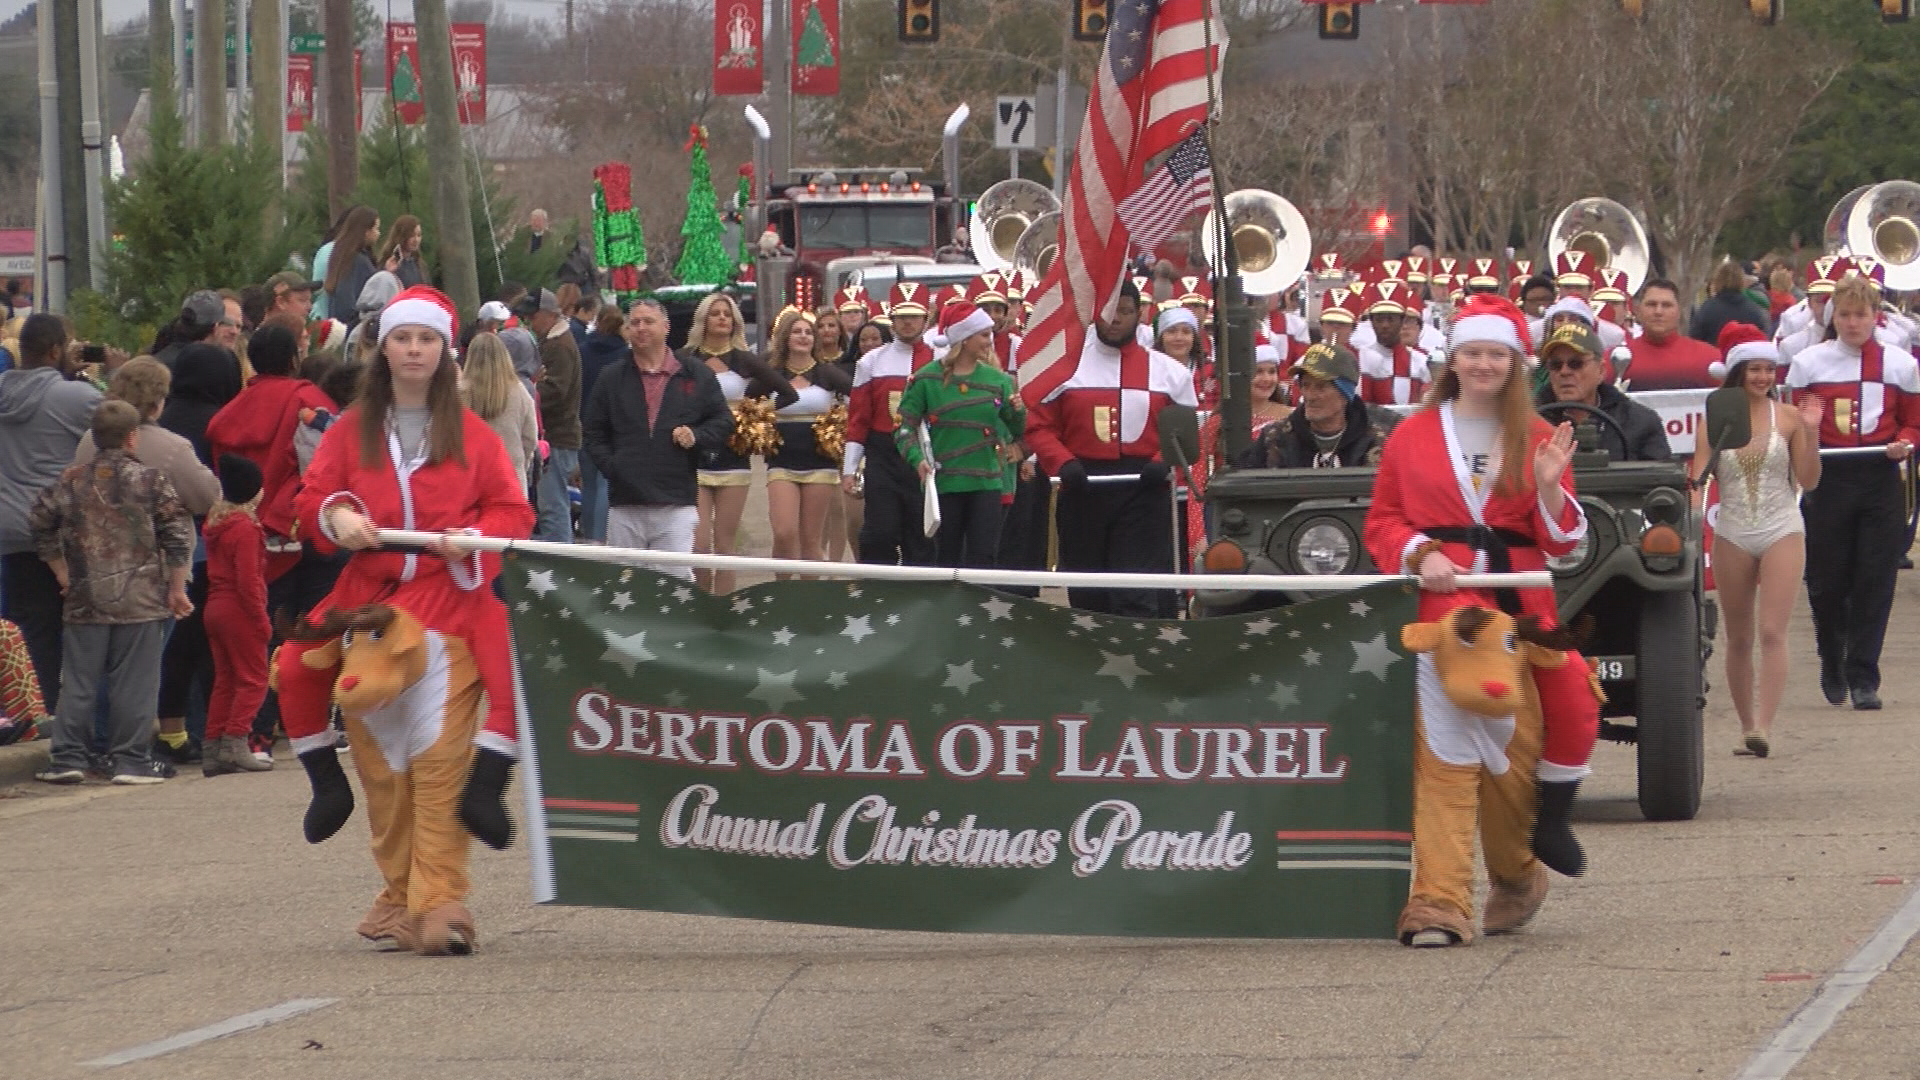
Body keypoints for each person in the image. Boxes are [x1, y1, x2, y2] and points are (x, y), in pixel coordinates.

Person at [275, 286, 534, 951]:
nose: (413, 350)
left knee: (438, 762)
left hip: (451, 611)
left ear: (445, 352)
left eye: (425, 340)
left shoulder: (473, 434)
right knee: (380, 767)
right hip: (370, 608)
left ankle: (440, 902)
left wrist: (472, 535)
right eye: (402, 338)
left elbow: (515, 513)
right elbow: (310, 502)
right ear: (382, 347)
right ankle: (389, 878)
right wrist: (337, 515)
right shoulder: (348, 429)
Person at [1363, 293, 1601, 881]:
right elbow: (1383, 519)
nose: (1483, 365)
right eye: (1472, 353)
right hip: (1449, 599)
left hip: (1522, 596)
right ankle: (1442, 885)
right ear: (1453, 361)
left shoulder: (1541, 434)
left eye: (1496, 354)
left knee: (1574, 695)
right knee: (1467, 706)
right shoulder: (1410, 436)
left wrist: (1548, 487)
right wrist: (1421, 551)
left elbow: (1562, 542)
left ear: (1513, 364)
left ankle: (1553, 811)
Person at [30, 401, 195, 785]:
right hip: (140, 598)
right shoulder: (152, 481)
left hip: (86, 595)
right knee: (135, 684)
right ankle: (130, 758)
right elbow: (175, 538)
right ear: (132, 437)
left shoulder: (71, 481)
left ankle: (67, 756)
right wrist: (176, 589)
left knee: (78, 681)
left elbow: (39, 521)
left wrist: (61, 570)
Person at [73, 358, 220, 763]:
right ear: (157, 401)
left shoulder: (89, 441)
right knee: (141, 666)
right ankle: (129, 749)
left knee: (102, 662)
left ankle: (98, 741)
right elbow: (207, 496)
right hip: (155, 569)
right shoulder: (172, 448)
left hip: (98, 561)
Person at [1785, 274, 1920, 711]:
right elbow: (1793, 426)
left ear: (1875, 317)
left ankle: (1865, 676)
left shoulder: (1901, 364)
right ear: (1832, 316)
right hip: (1827, 477)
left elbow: (1915, 422)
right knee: (1826, 581)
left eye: (1860, 314)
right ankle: (1831, 658)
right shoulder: (1808, 363)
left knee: (1874, 579)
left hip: (1879, 476)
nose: (1852, 322)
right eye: (1844, 314)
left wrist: (1904, 441)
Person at [1023, 280, 1198, 615]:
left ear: (1140, 315)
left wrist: (1164, 461)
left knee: (1135, 592)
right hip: (1082, 488)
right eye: (1108, 310)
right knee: (1088, 595)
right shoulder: (1063, 370)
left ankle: (1138, 661)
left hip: (1143, 491)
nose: (1116, 319)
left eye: (1126, 311)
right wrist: (1063, 464)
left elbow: (1186, 433)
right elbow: (1039, 426)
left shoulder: (1170, 373)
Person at [1691, 324, 1819, 757]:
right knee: (1739, 635)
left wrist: (1812, 432)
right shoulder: (1715, 419)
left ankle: (1764, 725)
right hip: (1732, 530)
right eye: (1754, 369)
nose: (1762, 377)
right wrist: (1692, 514)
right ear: (1737, 372)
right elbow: (1699, 477)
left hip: (1782, 523)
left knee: (1772, 632)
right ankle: (1747, 726)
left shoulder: (1788, 418)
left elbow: (1808, 480)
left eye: (1769, 369)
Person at [583, 300, 735, 579]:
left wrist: (696, 436)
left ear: (666, 327)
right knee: (625, 589)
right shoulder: (611, 377)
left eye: (648, 321)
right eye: (635, 322)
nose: (641, 328)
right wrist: (614, 466)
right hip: (625, 504)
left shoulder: (695, 374)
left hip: (676, 502)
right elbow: (593, 431)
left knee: (673, 589)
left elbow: (723, 420)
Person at [0, 315, 101, 713]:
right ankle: (68, 714)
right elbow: (125, 425)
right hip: (61, 528)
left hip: (9, 526)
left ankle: (28, 711)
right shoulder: (75, 397)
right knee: (78, 627)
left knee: (27, 628)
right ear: (57, 350)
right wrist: (98, 376)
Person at [897, 302, 1025, 568]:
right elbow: (904, 427)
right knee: (947, 558)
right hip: (945, 482)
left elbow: (1017, 431)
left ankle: (980, 609)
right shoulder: (924, 380)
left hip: (987, 483)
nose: (990, 342)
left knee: (984, 558)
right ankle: (949, 610)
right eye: (984, 335)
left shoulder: (998, 380)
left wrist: (1018, 412)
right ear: (965, 340)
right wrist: (917, 459)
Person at [683, 292, 794, 591]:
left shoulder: (745, 360)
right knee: (698, 545)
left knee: (725, 545)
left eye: (727, 314)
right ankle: (700, 607)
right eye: (715, 313)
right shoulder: (685, 359)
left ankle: (723, 616)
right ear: (703, 319)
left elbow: (788, 393)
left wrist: (756, 412)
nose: (722, 318)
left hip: (733, 456)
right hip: (693, 455)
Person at [844, 283, 939, 568]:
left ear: (926, 318)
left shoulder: (941, 359)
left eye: (914, 315)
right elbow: (858, 419)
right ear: (892, 320)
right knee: (879, 533)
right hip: (883, 456)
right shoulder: (870, 362)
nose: (908, 322)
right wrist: (849, 469)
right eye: (901, 316)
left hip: (927, 457)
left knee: (922, 535)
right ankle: (878, 595)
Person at [200, 454, 274, 776]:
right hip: (239, 610)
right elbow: (248, 580)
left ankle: (213, 747)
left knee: (226, 680)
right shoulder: (245, 528)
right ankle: (235, 744)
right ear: (253, 491)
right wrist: (261, 619)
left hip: (215, 607)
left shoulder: (218, 523)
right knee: (254, 680)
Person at [764, 308, 853, 568]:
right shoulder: (773, 373)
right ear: (785, 337)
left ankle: (810, 602)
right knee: (784, 533)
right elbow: (747, 402)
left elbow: (858, 399)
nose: (803, 336)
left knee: (811, 540)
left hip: (820, 463)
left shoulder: (827, 373)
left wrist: (842, 425)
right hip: (781, 461)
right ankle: (781, 595)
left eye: (808, 332)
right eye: (796, 331)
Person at [1236, 343, 1393, 469]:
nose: (1310, 396)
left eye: (1320, 387)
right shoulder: (1275, 439)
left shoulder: (1379, 441)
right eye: (1305, 385)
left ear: (1345, 394)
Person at [1534, 324, 1672, 462]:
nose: (1564, 372)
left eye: (1576, 363)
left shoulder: (1639, 422)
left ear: (1601, 371)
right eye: (1555, 365)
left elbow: (1662, 478)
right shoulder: (1528, 421)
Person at [514, 289, 584, 544]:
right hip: (556, 437)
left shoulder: (559, 346)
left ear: (548, 314)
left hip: (557, 437)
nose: (530, 323)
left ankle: (561, 564)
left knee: (552, 506)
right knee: (553, 504)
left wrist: (525, 393)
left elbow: (556, 391)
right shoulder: (553, 342)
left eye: (533, 317)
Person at [576, 303, 629, 542]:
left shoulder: (582, 351)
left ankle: (589, 533)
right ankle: (601, 536)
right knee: (605, 483)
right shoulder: (626, 355)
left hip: (585, 423)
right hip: (614, 425)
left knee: (588, 485)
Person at [463, 332, 540, 489]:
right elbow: (530, 439)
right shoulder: (520, 392)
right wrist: (522, 464)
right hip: (510, 478)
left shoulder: (457, 393)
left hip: (469, 480)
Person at [1624, 279, 1724, 390]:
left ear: (1679, 312)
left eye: (1666, 305)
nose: (1658, 311)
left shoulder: (1710, 359)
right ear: (1638, 310)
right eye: (1651, 304)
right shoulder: (1618, 360)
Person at [1356, 281, 1430, 406]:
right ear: (1371, 322)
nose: (1385, 325)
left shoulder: (1420, 362)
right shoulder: (1359, 361)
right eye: (1379, 319)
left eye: (1391, 319)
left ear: (1402, 320)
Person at [324, 206, 382, 334]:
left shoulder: (342, 254)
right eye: (376, 228)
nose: (378, 233)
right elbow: (347, 302)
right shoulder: (356, 260)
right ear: (366, 231)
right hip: (355, 331)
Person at [1692, 258, 1773, 344]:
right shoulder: (1754, 310)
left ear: (1718, 281)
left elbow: (1695, 338)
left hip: (1714, 355)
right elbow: (1762, 339)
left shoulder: (1707, 308)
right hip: (1743, 355)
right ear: (1741, 280)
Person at [378, 215, 427, 288]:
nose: (416, 240)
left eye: (419, 235)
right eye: (411, 235)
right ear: (402, 236)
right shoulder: (388, 263)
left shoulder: (419, 264)